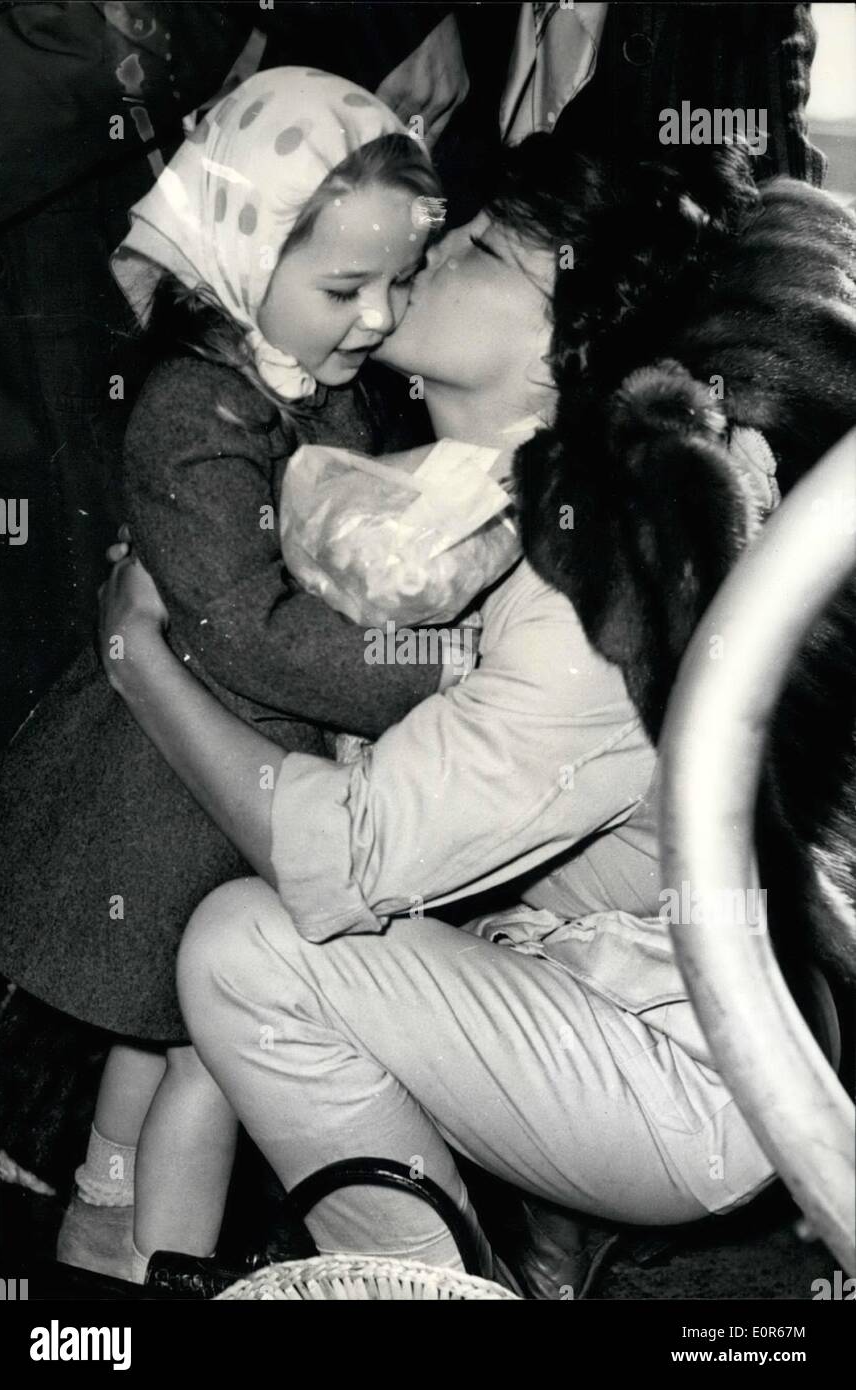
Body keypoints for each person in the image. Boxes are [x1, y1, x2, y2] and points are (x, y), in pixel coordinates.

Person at [92, 134, 856, 1295]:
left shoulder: (590, 597)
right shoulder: (452, 487)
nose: (434, 247)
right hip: (563, 959)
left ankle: (422, 1284)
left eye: (487, 248)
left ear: (564, 350)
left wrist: (138, 653)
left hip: (690, 1072)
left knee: (246, 948)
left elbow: (337, 850)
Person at [0, 65, 500, 1281]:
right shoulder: (193, 411)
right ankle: (142, 1257)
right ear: (236, 255)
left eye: (398, 283)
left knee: (176, 1024)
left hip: (244, 767)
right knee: (213, 1037)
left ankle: (108, 1206)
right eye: (343, 287)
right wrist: (431, 664)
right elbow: (245, 627)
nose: (376, 318)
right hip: (173, 790)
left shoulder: (311, 384)